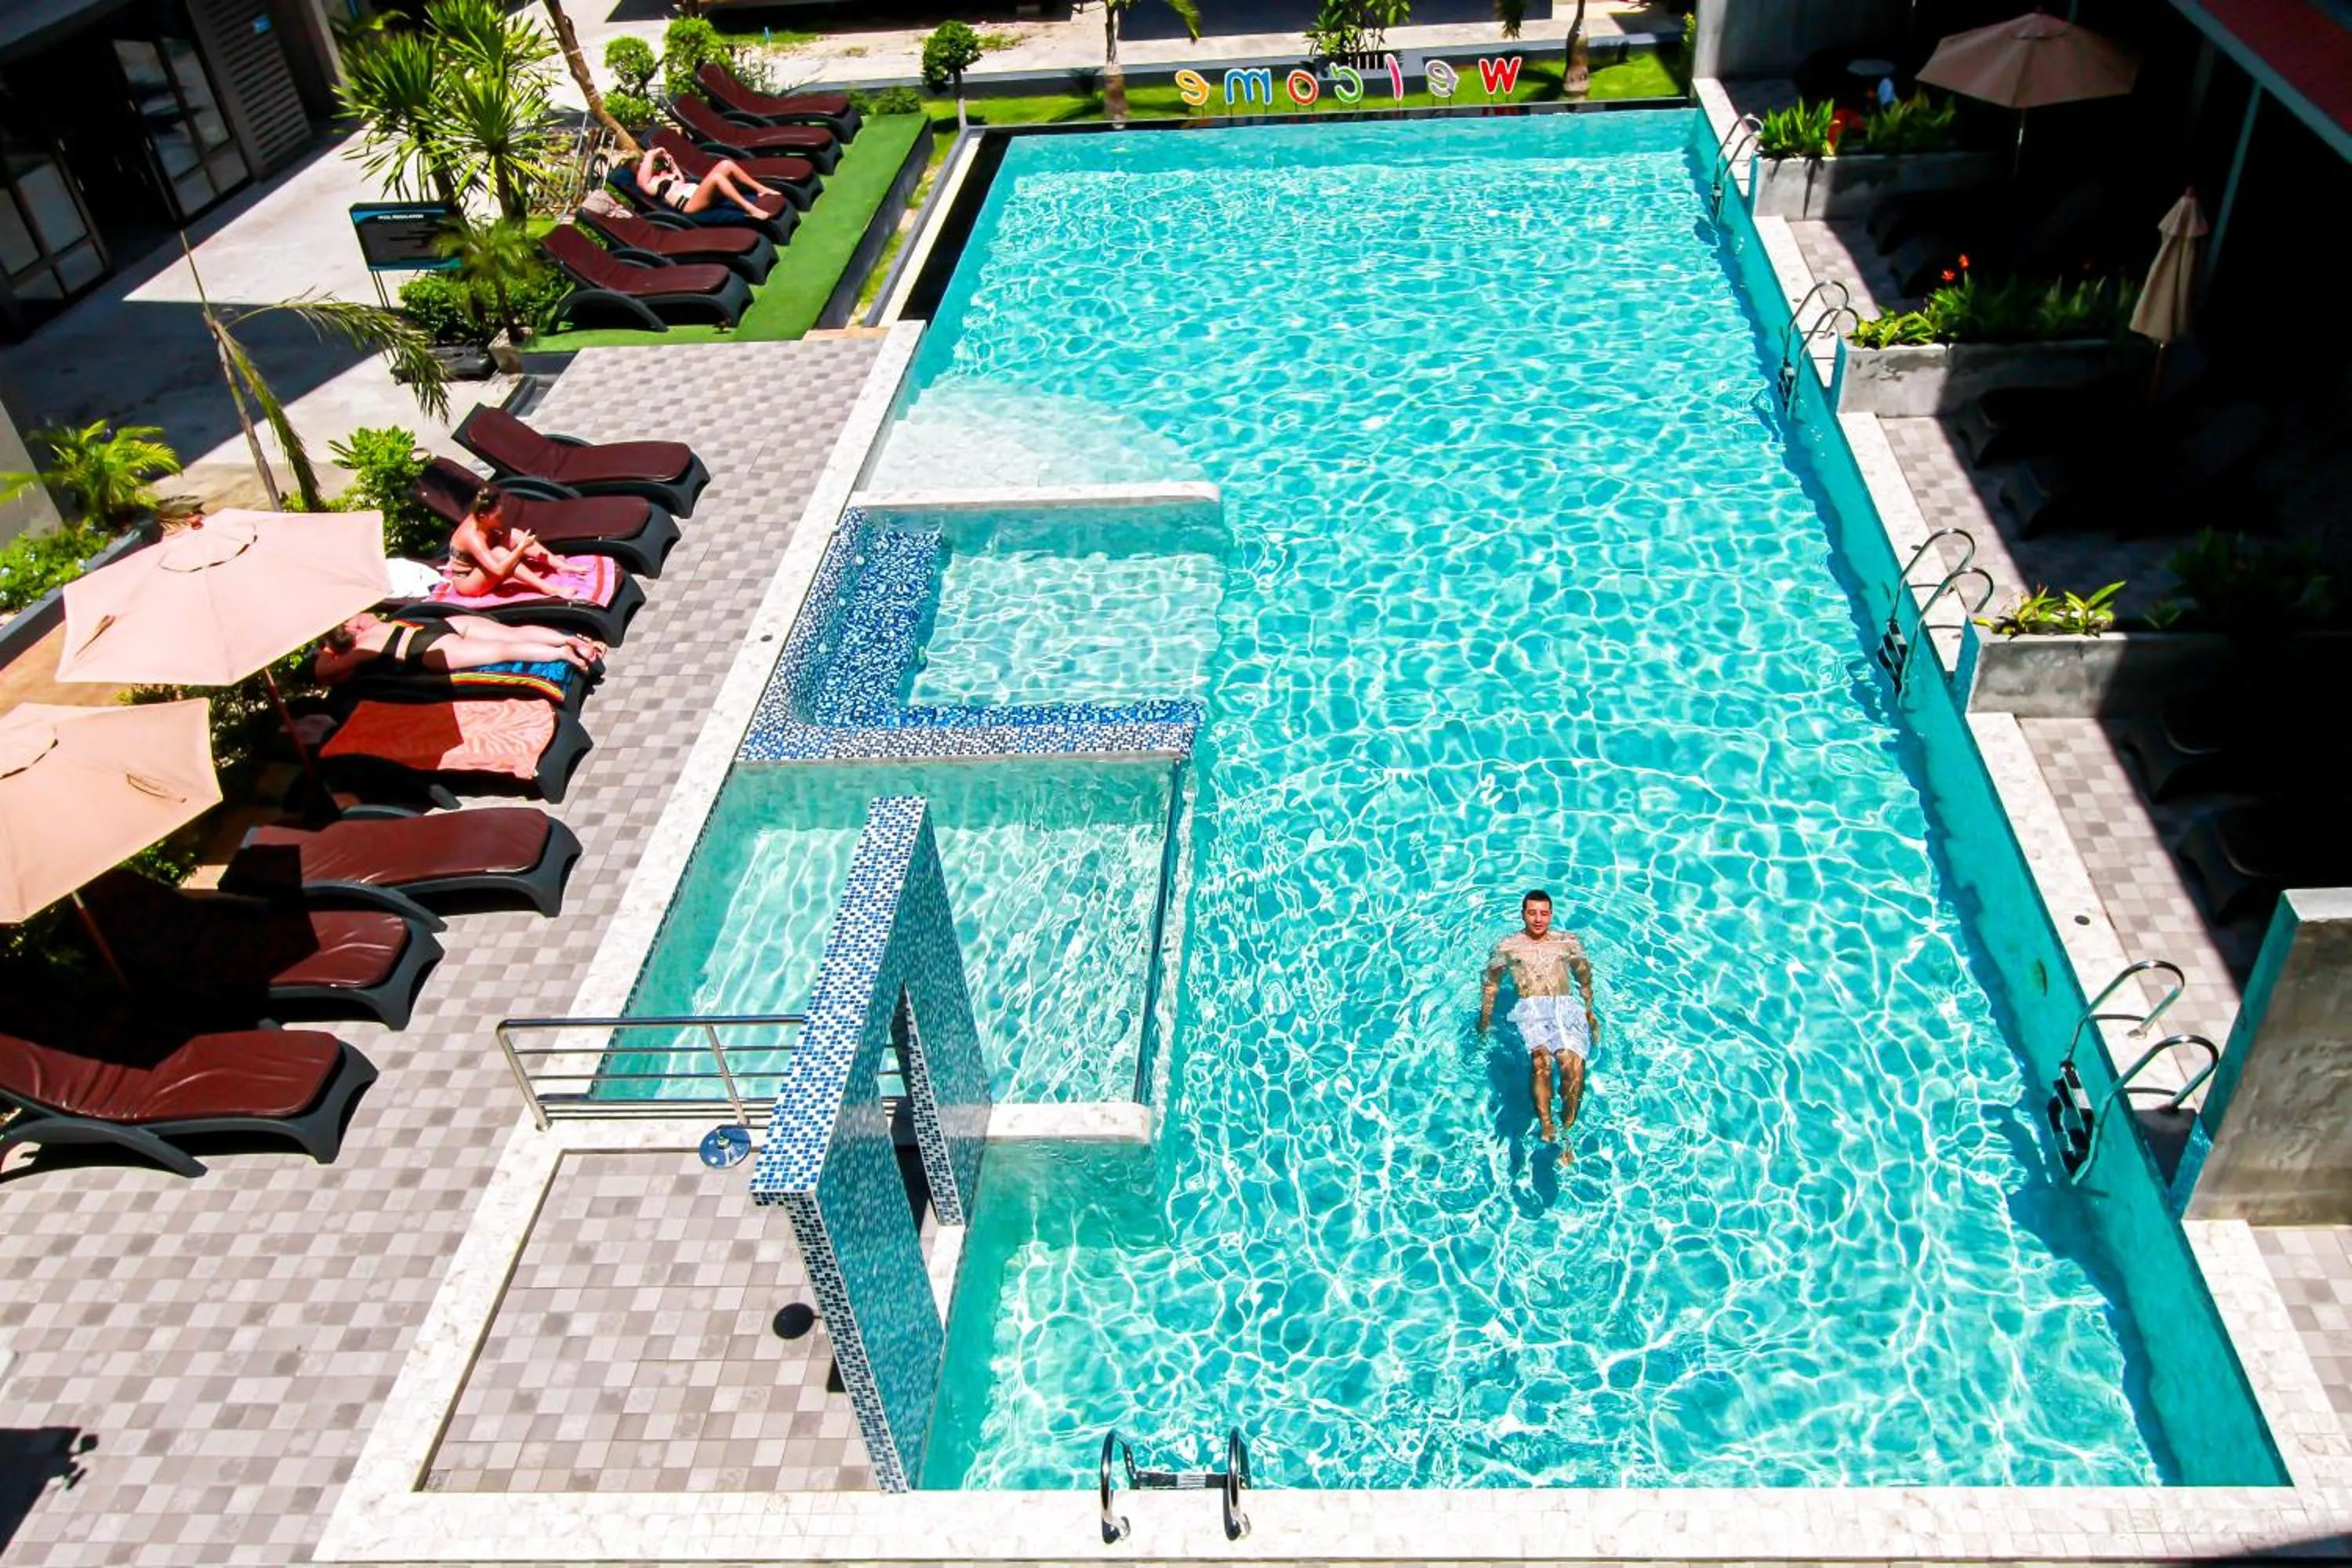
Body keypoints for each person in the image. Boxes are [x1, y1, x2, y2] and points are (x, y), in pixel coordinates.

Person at [1478, 889, 1599, 1149]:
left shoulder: (1567, 942)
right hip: (1531, 1006)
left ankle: (1568, 1130)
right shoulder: (1508, 946)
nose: (1538, 919)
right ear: (1523, 914)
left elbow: (1584, 978)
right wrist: (1485, 1021)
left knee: (1573, 1064)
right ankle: (1546, 1122)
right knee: (1540, 1061)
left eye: (1544, 913)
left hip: (1565, 1006)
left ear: (1551, 915)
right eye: (1532, 913)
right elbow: (1491, 985)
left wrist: (1590, 1011)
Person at [314, 612, 602, 682]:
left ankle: (563, 654)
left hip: (427, 650)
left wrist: (326, 649)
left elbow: (322, 670)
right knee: (508, 634)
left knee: (502, 651)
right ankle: (569, 639)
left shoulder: (360, 650)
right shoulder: (365, 619)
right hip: (436, 627)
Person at [443, 487, 606, 604]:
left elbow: (504, 538)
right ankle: (551, 590)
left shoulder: (482, 519)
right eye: (498, 517)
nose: (501, 519)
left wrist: (518, 542)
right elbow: (498, 569)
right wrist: (520, 549)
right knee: (500, 552)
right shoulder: (473, 537)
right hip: (469, 583)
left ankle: (560, 565)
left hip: (482, 567)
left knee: (514, 534)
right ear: (483, 516)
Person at [634, 143, 776, 222]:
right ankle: (750, 209)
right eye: (640, 166)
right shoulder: (649, 184)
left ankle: (761, 189)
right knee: (717, 178)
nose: (643, 165)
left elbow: (681, 179)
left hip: (699, 194)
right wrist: (652, 153)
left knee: (726, 164)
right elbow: (644, 170)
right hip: (690, 205)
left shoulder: (663, 174)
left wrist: (671, 163)